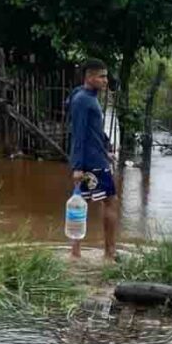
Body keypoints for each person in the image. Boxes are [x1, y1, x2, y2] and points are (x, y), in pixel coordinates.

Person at [66, 58, 118, 261]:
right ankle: (109, 253)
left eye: (106, 76)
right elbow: (78, 134)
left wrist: (107, 147)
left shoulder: (85, 96)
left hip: (95, 157)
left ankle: (75, 253)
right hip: (92, 162)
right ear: (89, 77)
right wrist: (77, 167)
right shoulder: (83, 100)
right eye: (101, 76)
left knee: (82, 202)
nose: (106, 80)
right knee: (111, 201)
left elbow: (93, 130)